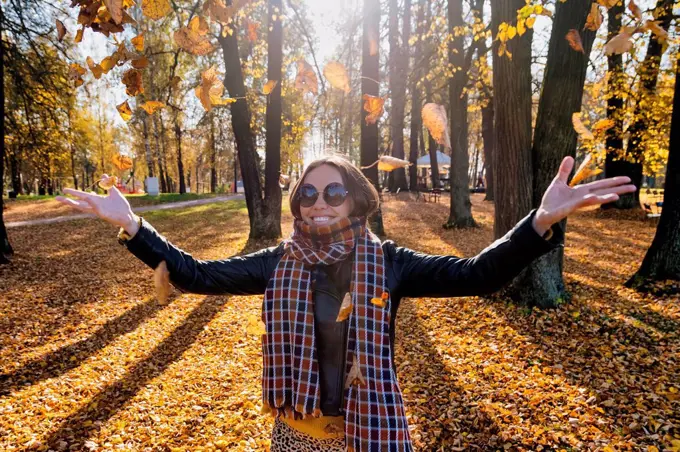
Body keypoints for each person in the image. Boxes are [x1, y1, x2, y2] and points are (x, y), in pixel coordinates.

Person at [56, 155, 636, 451]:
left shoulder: (390, 263)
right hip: (297, 432)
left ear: (356, 199)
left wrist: (539, 222)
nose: (318, 203)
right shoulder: (277, 263)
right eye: (307, 194)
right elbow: (196, 274)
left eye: (333, 191)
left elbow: (478, 274)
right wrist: (134, 227)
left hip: (371, 429)